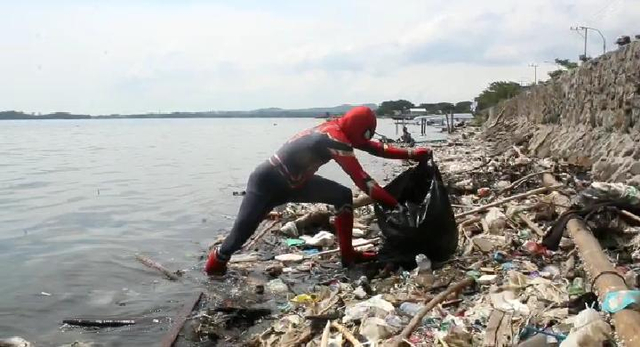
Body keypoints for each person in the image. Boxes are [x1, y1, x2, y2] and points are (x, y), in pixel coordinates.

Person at [205, 106, 432, 275]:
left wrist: (412, 154)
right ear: (358, 129)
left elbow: (376, 148)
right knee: (238, 238)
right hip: (267, 183)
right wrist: (395, 204)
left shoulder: (344, 130)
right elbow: (363, 181)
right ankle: (214, 269)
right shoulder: (334, 137)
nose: (364, 140)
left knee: (342, 196)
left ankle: (348, 256)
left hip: (298, 184)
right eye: (365, 134)